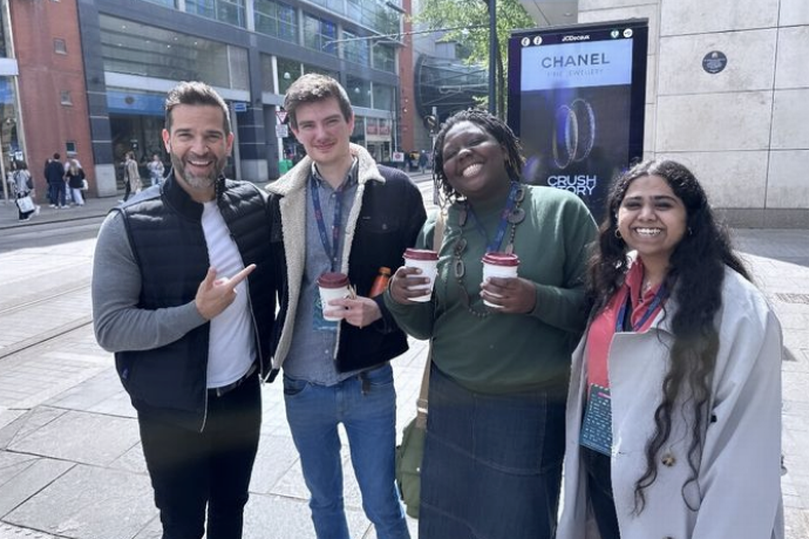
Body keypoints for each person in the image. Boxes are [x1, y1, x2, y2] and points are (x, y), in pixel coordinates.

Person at [385, 109, 597, 538]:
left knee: (517, 524)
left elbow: (596, 309)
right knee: (448, 522)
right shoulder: (440, 225)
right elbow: (425, 326)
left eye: (474, 143)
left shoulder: (560, 211)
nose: (462, 154)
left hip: (528, 405)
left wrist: (536, 298)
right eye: (449, 153)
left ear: (503, 149)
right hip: (451, 401)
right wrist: (398, 298)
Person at [556, 159, 784, 539]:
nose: (646, 215)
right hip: (603, 460)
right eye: (633, 204)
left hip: (675, 489)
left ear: (690, 216)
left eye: (663, 204)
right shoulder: (614, 280)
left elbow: (745, 445)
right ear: (617, 216)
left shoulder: (738, 307)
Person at [92, 81, 275, 539]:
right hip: (170, 410)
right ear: (167, 139)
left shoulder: (252, 204)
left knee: (232, 509)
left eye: (212, 135)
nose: (200, 148)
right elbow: (111, 328)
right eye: (188, 134)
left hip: (240, 398)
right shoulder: (128, 224)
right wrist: (196, 311)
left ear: (228, 142)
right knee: (183, 524)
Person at [264, 73, 424, 539]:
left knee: (382, 503)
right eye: (308, 125)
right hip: (302, 382)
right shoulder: (280, 199)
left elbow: (417, 275)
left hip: (368, 379)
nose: (321, 134)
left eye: (331, 120)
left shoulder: (394, 189)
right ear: (293, 130)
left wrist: (383, 308)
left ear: (350, 121)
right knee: (324, 502)